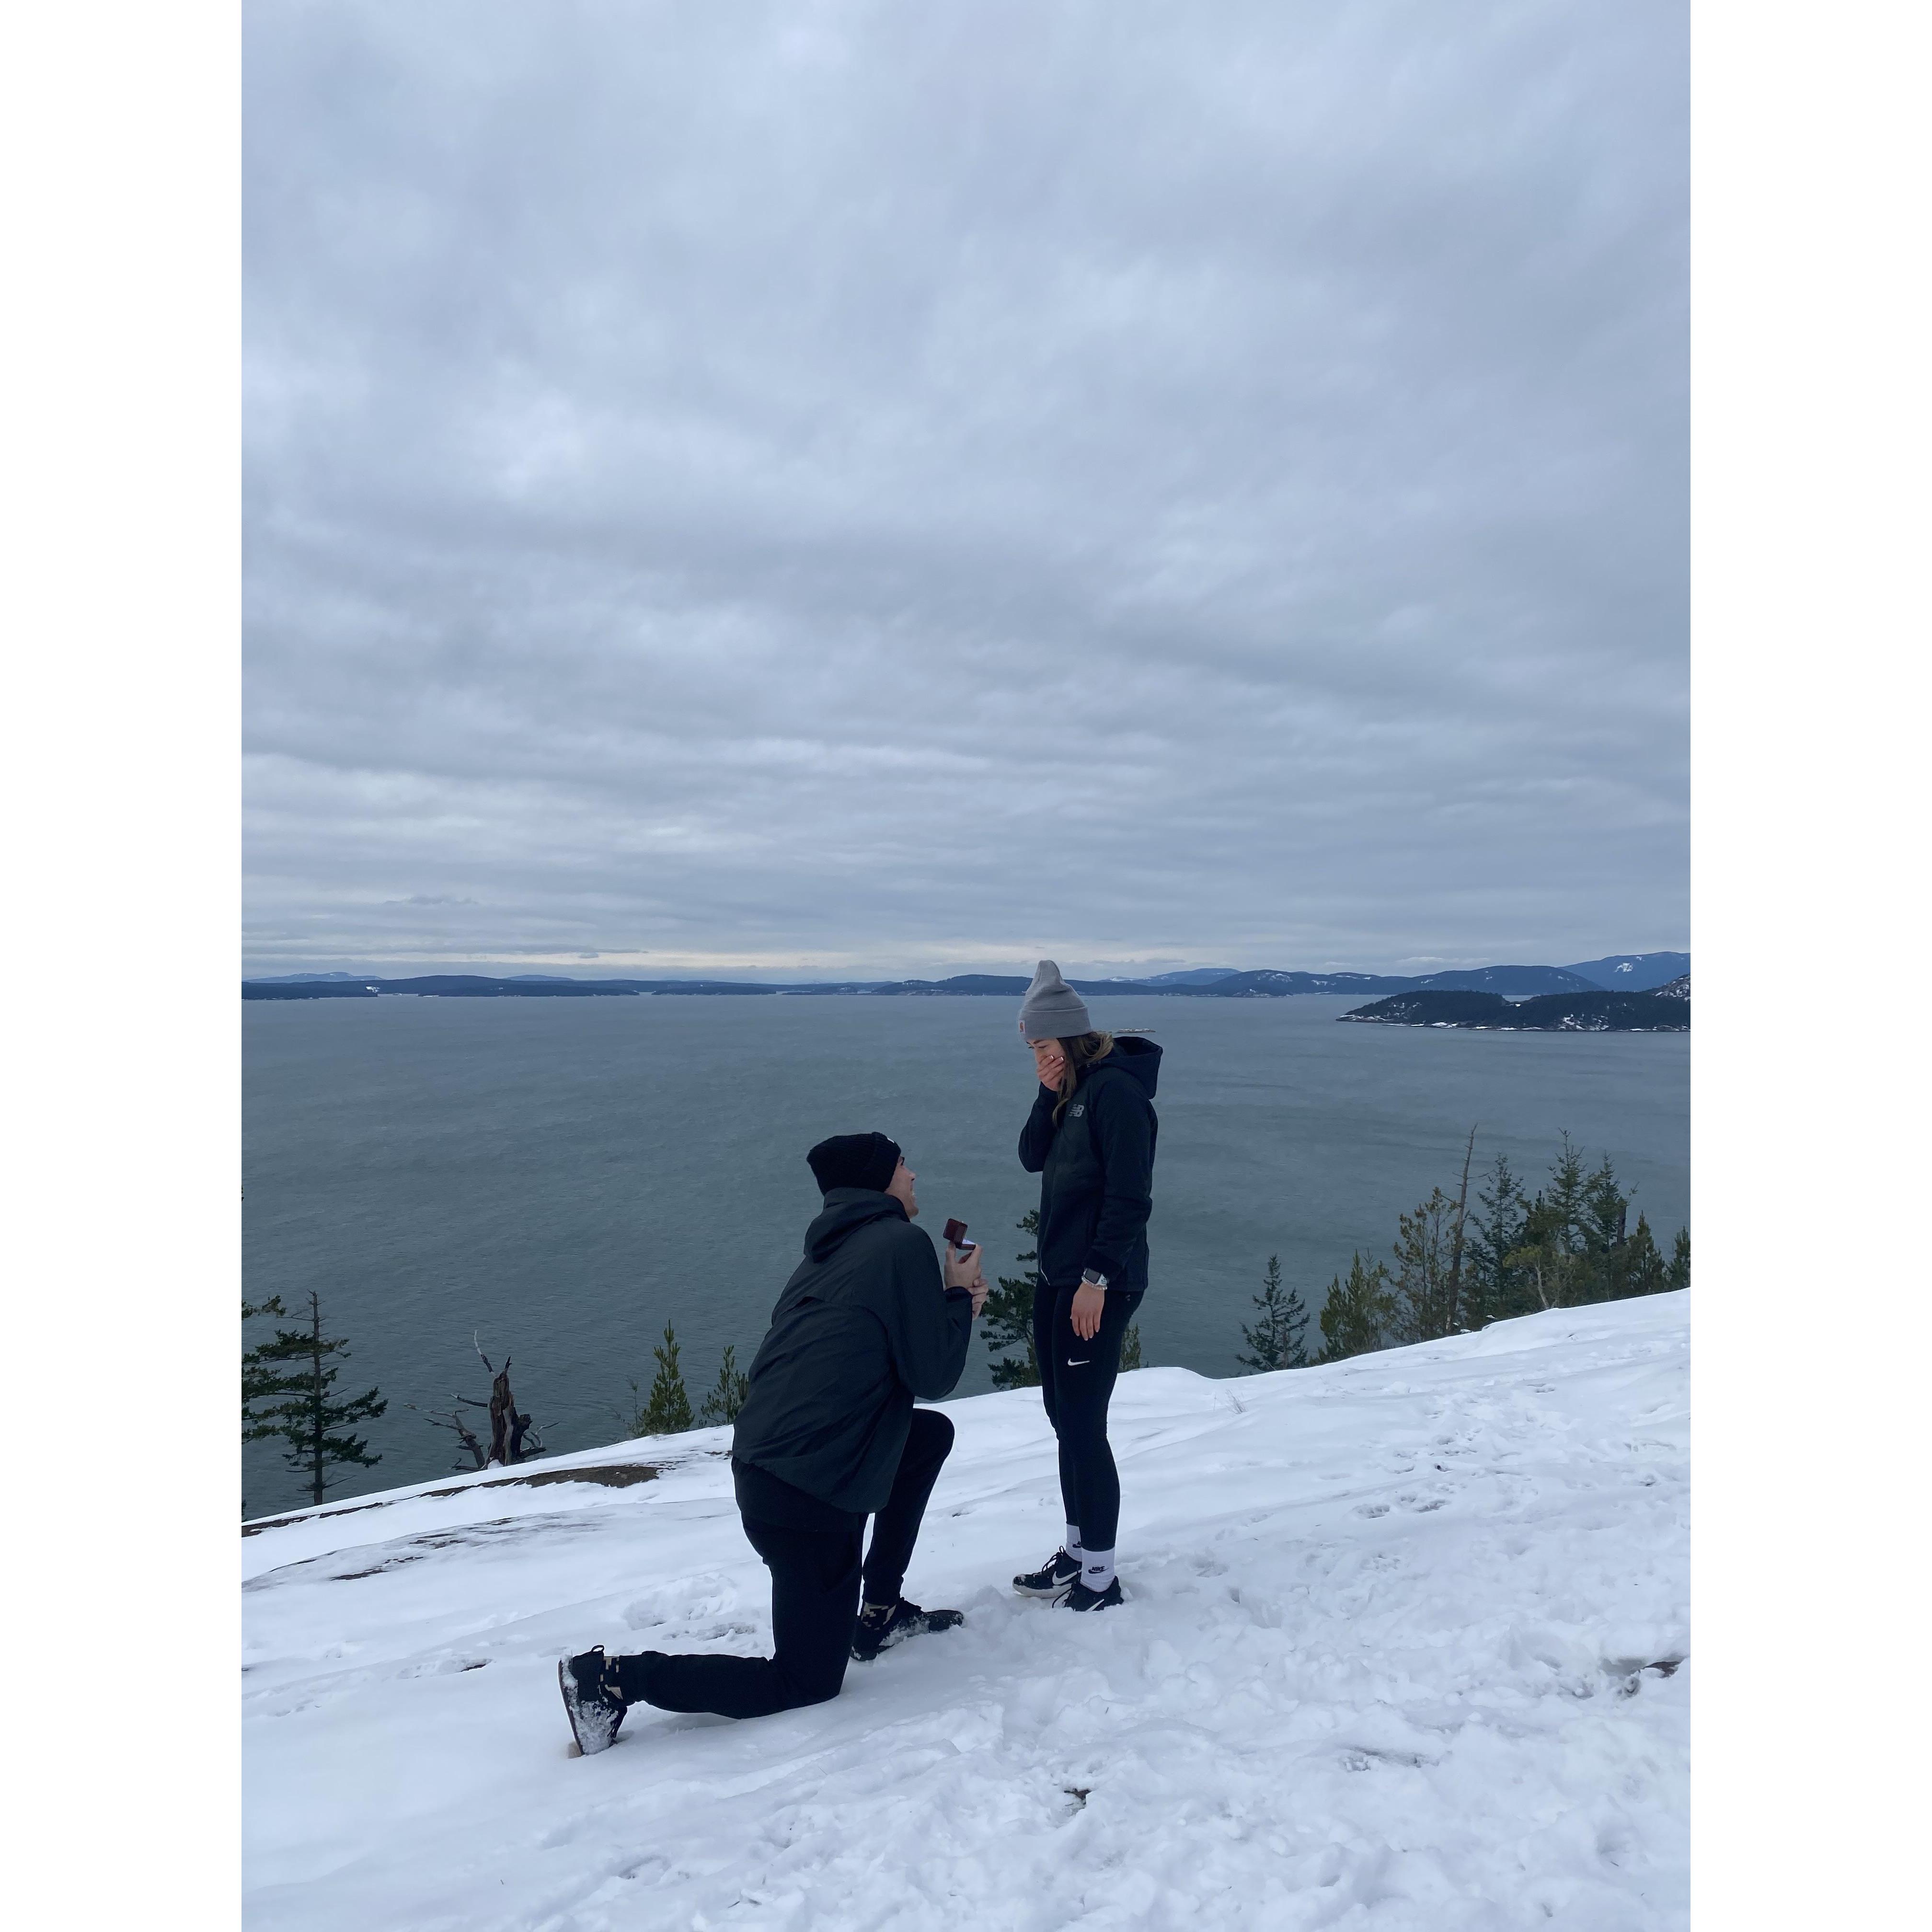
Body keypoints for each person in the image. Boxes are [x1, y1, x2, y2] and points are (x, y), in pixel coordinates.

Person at [558, 1132, 988, 1755]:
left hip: (777, 1466)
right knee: (805, 1681)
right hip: (809, 1495)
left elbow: (886, 1359)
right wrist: (955, 1293)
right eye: (903, 1167)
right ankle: (612, 1680)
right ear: (879, 1184)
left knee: (925, 1438)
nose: (915, 1176)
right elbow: (934, 1375)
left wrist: (953, 1310)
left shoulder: (832, 1250)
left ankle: (880, 1612)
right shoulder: (900, 1243)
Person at [1008, 961, 1161, 1611]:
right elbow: (1031, 1155)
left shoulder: (1117, 1095)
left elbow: (1131, 1198)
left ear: (1068, 1038)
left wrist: (1096, 1278)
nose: (1038, 1058)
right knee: (1062, 1418)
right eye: (1032, 1050)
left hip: (1097, 1282)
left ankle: (1100, 1578)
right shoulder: (1073, 1089)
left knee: (1084, 1424)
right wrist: (1047, 1093)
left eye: (1042, 1048)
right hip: (1059, 1277)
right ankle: (1077, 1550)